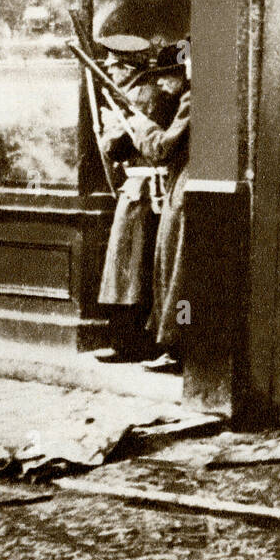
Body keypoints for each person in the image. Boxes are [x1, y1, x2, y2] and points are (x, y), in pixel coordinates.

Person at [95, 37, 183, 362]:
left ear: (126, 67)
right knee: (131, 267)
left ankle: (131, 343)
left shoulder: (141, 95)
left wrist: (111, 131)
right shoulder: (140, 92)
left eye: (113, 65)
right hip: (140, 187)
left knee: (131, 269)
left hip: (144, 190)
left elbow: (119, 147)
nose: (109, 69)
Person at [119, 46, 192, 371]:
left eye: (167, 78)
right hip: (185, 185)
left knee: (175, 272)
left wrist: (140, 126)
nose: (162, 85)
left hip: (185, 190)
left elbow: (161, 148)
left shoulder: (193, 98)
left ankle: (177, 348)